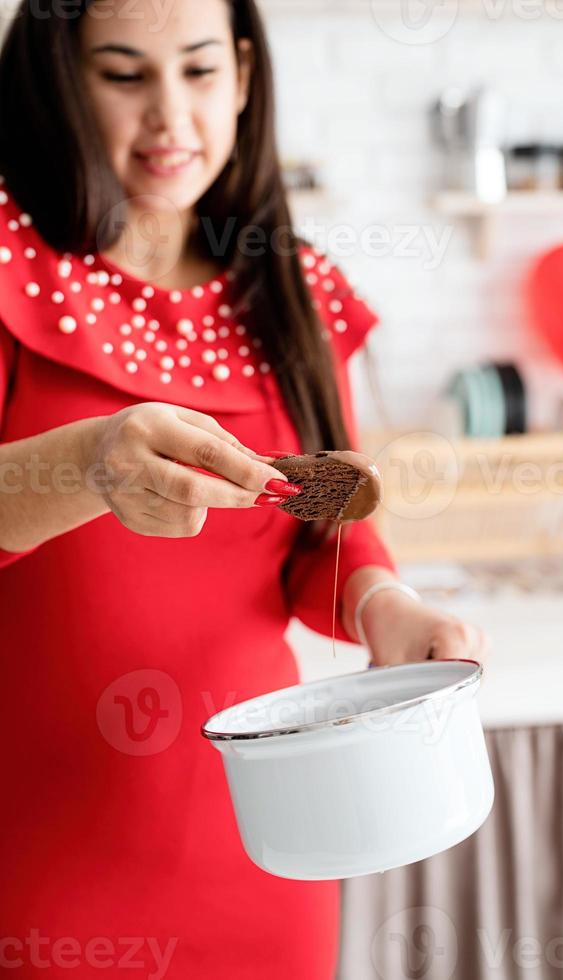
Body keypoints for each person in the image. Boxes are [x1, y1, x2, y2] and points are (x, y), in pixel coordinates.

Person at [0, 0, 486, 977]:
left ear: (247, 76)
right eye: (125, 74)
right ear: (59, 76)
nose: (171, 118)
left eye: (199, 71)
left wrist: (380, 602)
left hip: (270, 839)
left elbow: (322, 525)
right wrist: (87, 463)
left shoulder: (290, 287)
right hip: (36, 851)